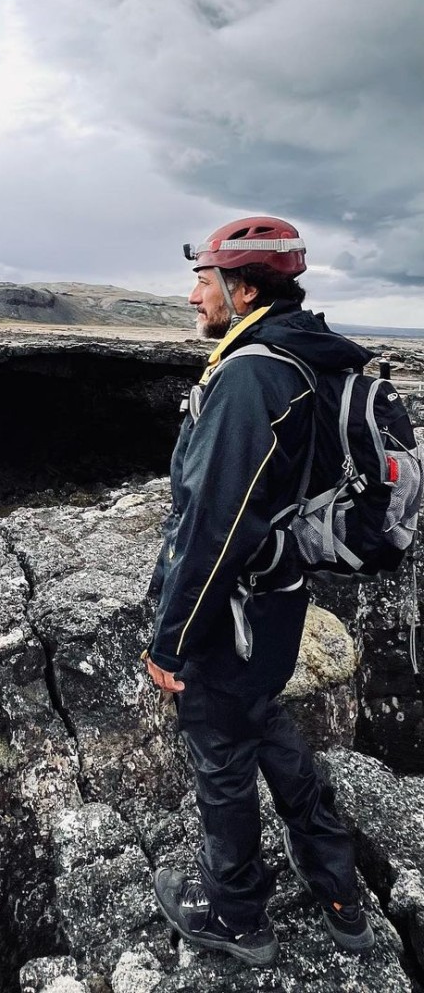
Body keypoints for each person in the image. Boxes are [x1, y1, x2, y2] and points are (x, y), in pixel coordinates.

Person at [144, 216, 376, 966]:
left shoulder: (249, 375)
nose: (191, 296)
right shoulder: (303, 355)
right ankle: (339, 889)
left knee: (221, 757)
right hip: (274, 605)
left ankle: (236, 915)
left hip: (233, 614)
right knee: (262, 718)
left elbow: (215, 526)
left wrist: (171, 640)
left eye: (202, 280)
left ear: (241, 289)